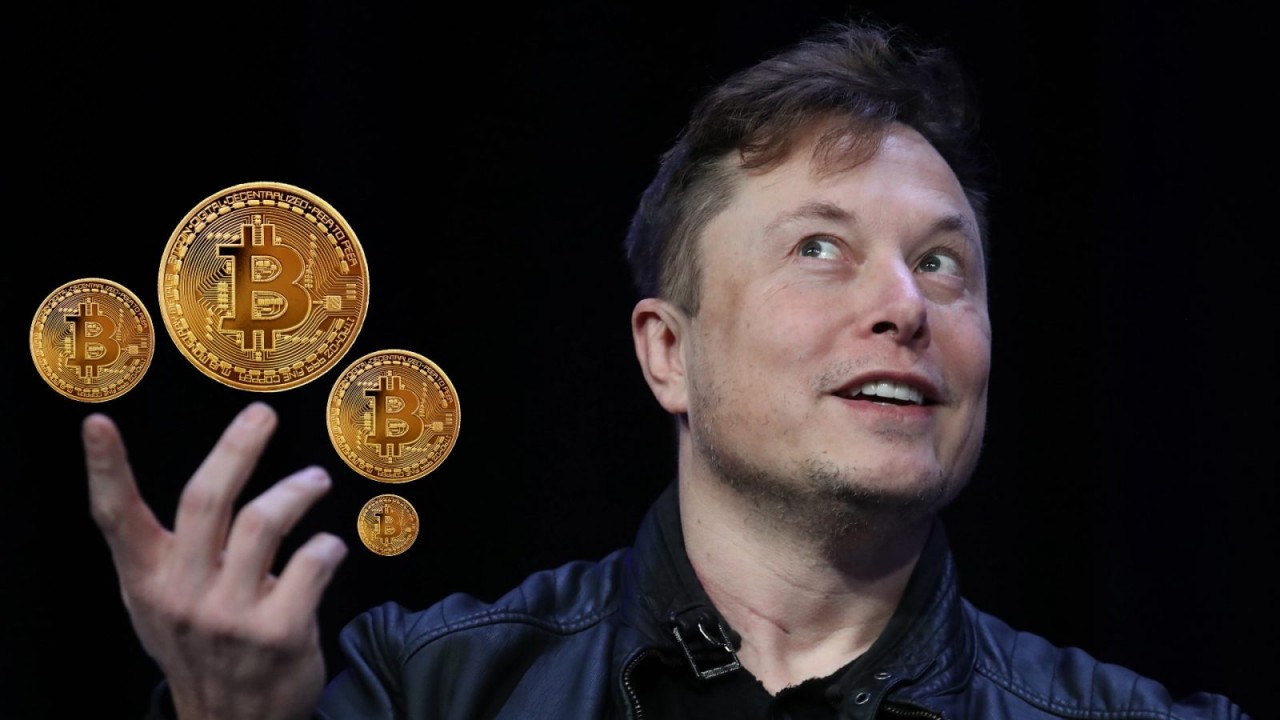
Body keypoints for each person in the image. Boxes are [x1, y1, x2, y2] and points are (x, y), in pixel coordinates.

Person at [82, 18, 1253, 720]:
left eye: (942, 263)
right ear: (666, 352)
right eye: (819, 248)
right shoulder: (427, 687)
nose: (904, 306)